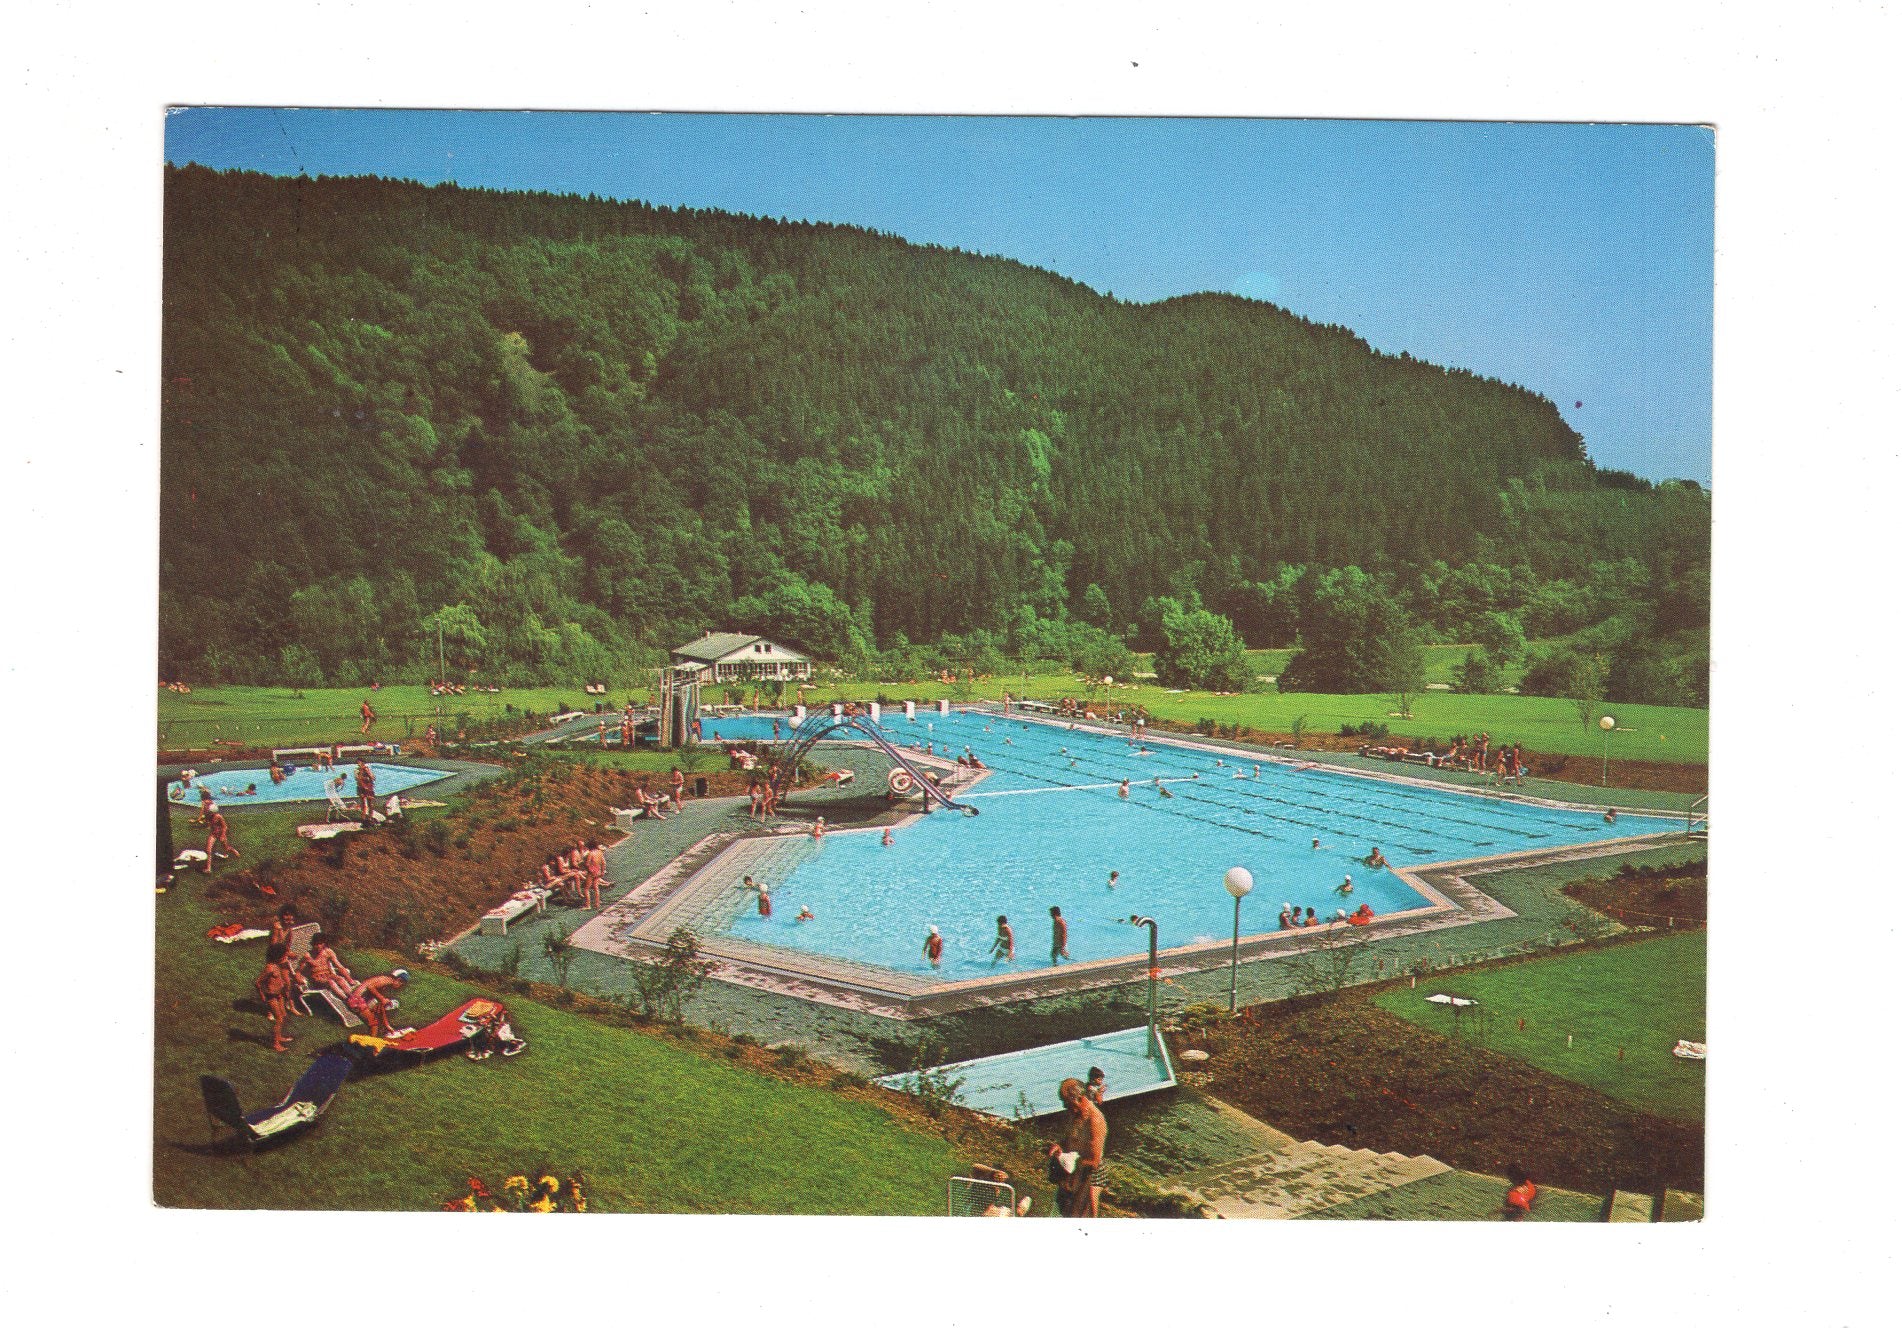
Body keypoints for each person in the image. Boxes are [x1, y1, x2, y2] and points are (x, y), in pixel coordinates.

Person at [1047, 1077, 1108, 1218]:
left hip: (1089, 1173)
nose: (1064, 1106)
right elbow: (1068, 1140)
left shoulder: (1095, 1119)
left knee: (1083, 1214)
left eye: (1066, 1101)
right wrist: (1059, 1147)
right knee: (1061, 1211)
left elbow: (1093, 1161)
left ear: (1079, 1098)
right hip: (1073, 1169)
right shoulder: (1074, 1114)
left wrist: (1069, 1171)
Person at [255, 942, 296, 1052]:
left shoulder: (278, 965)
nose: (285, 957)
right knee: (279, 1019)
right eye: (284, 955)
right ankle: (276, 1044)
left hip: (279, 995)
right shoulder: (270, 968)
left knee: (283, 1015)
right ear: (278, 956)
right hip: (271, 996)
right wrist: (262, 995)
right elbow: (258, 982)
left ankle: (279, 1036)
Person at [346, 969, 409, 1039]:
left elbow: (380, 1007)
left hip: (359, 1000)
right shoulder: (386, 980)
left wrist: (387, 1025)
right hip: (357, 1000)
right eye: (401, 983)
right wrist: (382, 998)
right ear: (399, 979)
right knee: (374, 1024)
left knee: (377, 1014)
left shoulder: (385, 980)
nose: (400, 986)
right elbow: (370, 987)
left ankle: (384, 1031)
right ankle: (371, 1042)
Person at [302, 931, 356, 1000]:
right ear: (312, 944)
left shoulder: (328, 952)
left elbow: (340, 966)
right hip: (317, 980)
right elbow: (300, 970)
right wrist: (299, 977)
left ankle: (353, 997)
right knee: (330, 982)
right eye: (316, 944)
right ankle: (347, 999)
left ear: (324, 943)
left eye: (320, 943)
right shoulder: (308, 955)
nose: (318, 946)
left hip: (329, 975)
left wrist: (349, 979)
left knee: (341, 979)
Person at [203, 806, 239, 872]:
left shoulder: (219, 816)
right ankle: (208, 869)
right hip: (213, 834)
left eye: (210, 812)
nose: (209, 812)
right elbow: (209, 823)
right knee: (208, 850)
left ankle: (234, 851)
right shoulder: (208, 816)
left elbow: (225, 826)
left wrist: (223, 835)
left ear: (214, 812)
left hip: (221, 834)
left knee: (226, 848)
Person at [583, 841, 607, 909]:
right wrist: (602, 871)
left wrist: (586, 868)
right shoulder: (599, 852)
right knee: (596, 888)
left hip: (592, 871)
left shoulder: (591, 853)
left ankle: (588, 905)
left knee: (586, 889)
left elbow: (587, 864)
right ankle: (597, 903)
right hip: (598, 871)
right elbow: (603, 863)